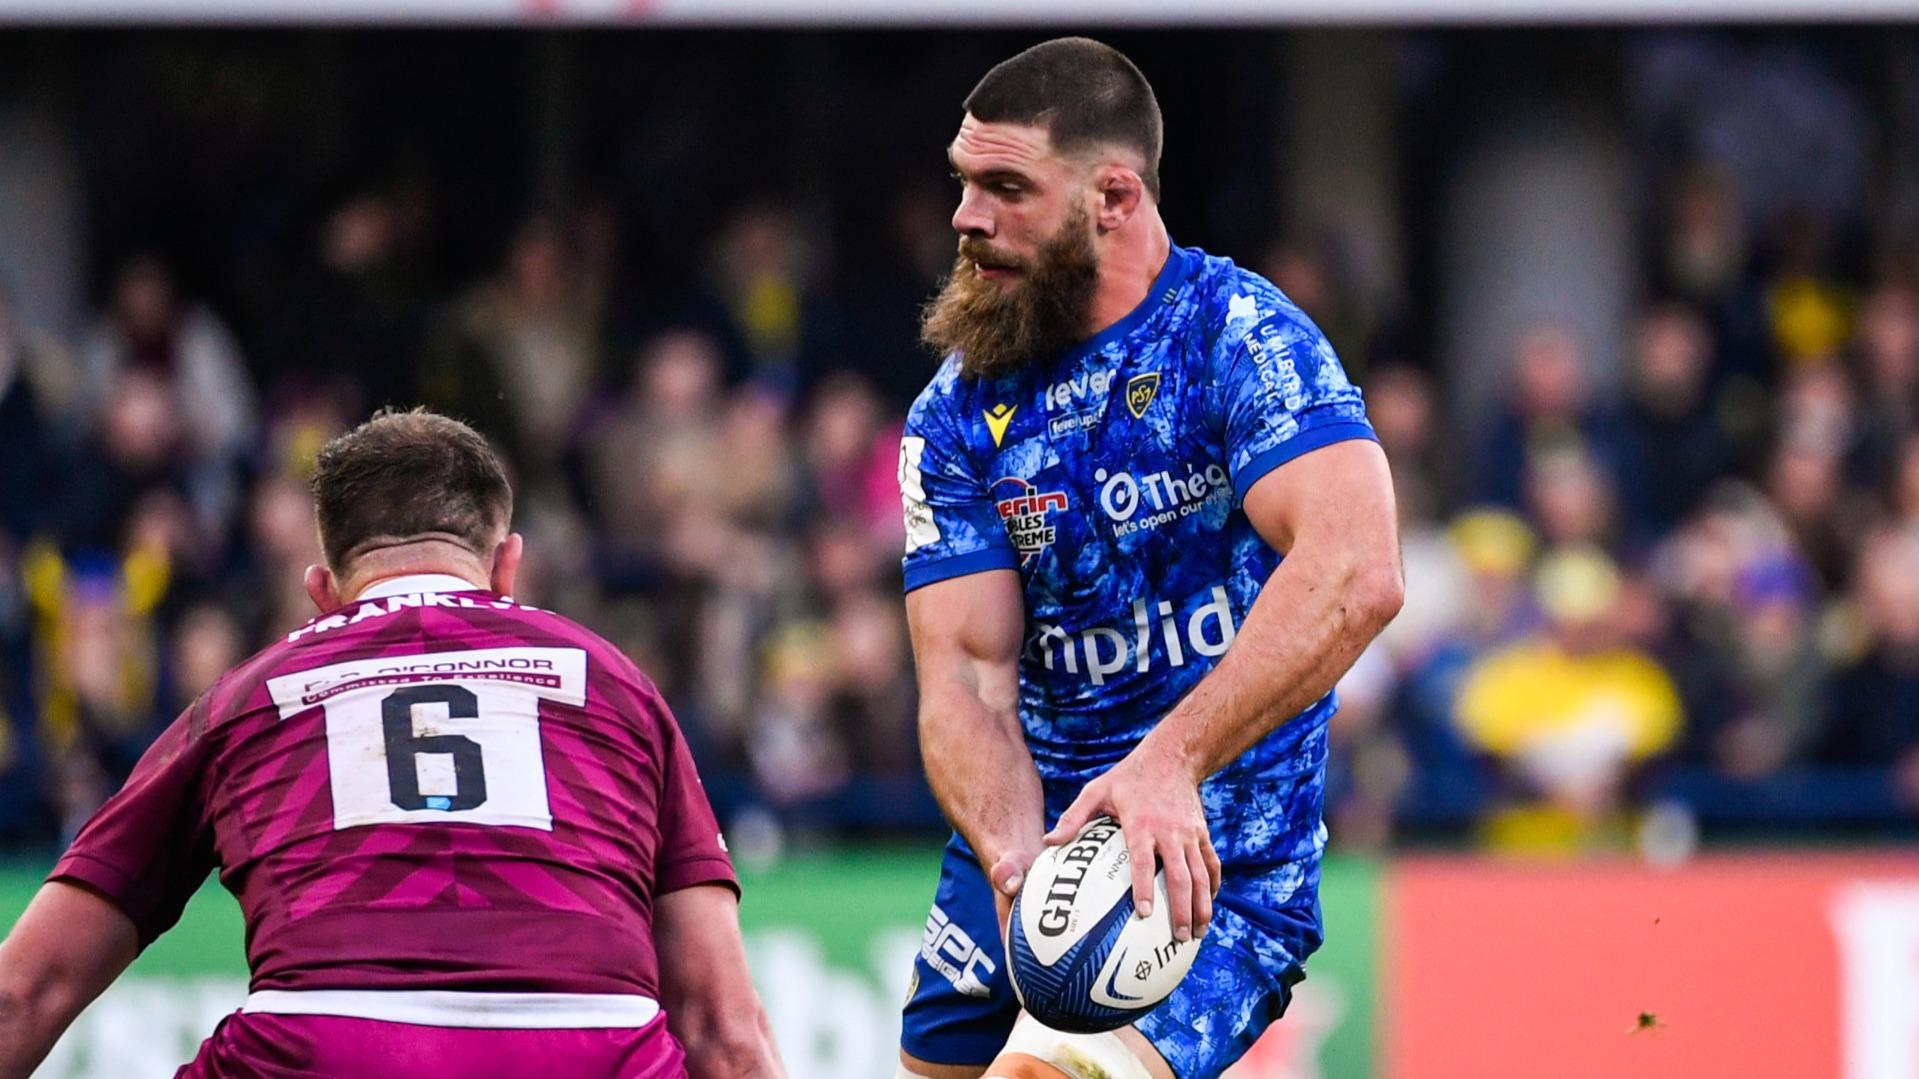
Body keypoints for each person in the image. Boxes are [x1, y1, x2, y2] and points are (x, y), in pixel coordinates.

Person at [896, 38, 1402, 1079]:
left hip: (1213, 860)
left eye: (1005, 189)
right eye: (962, 182)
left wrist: (1170, 761)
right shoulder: (955, 411)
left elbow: (1357, 569)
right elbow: (965, 678)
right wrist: (1015, 862)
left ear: (1114, 198)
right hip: (1033, 838)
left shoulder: (1236, 338)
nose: (965, 217)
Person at [0, 409, 784, 1079]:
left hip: (326, 1040)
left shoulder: (245, 699)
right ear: (507, 567)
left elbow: (24, 991)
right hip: (593, 1046)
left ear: (321, 591)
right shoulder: (617, 687)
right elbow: (726, 1029)